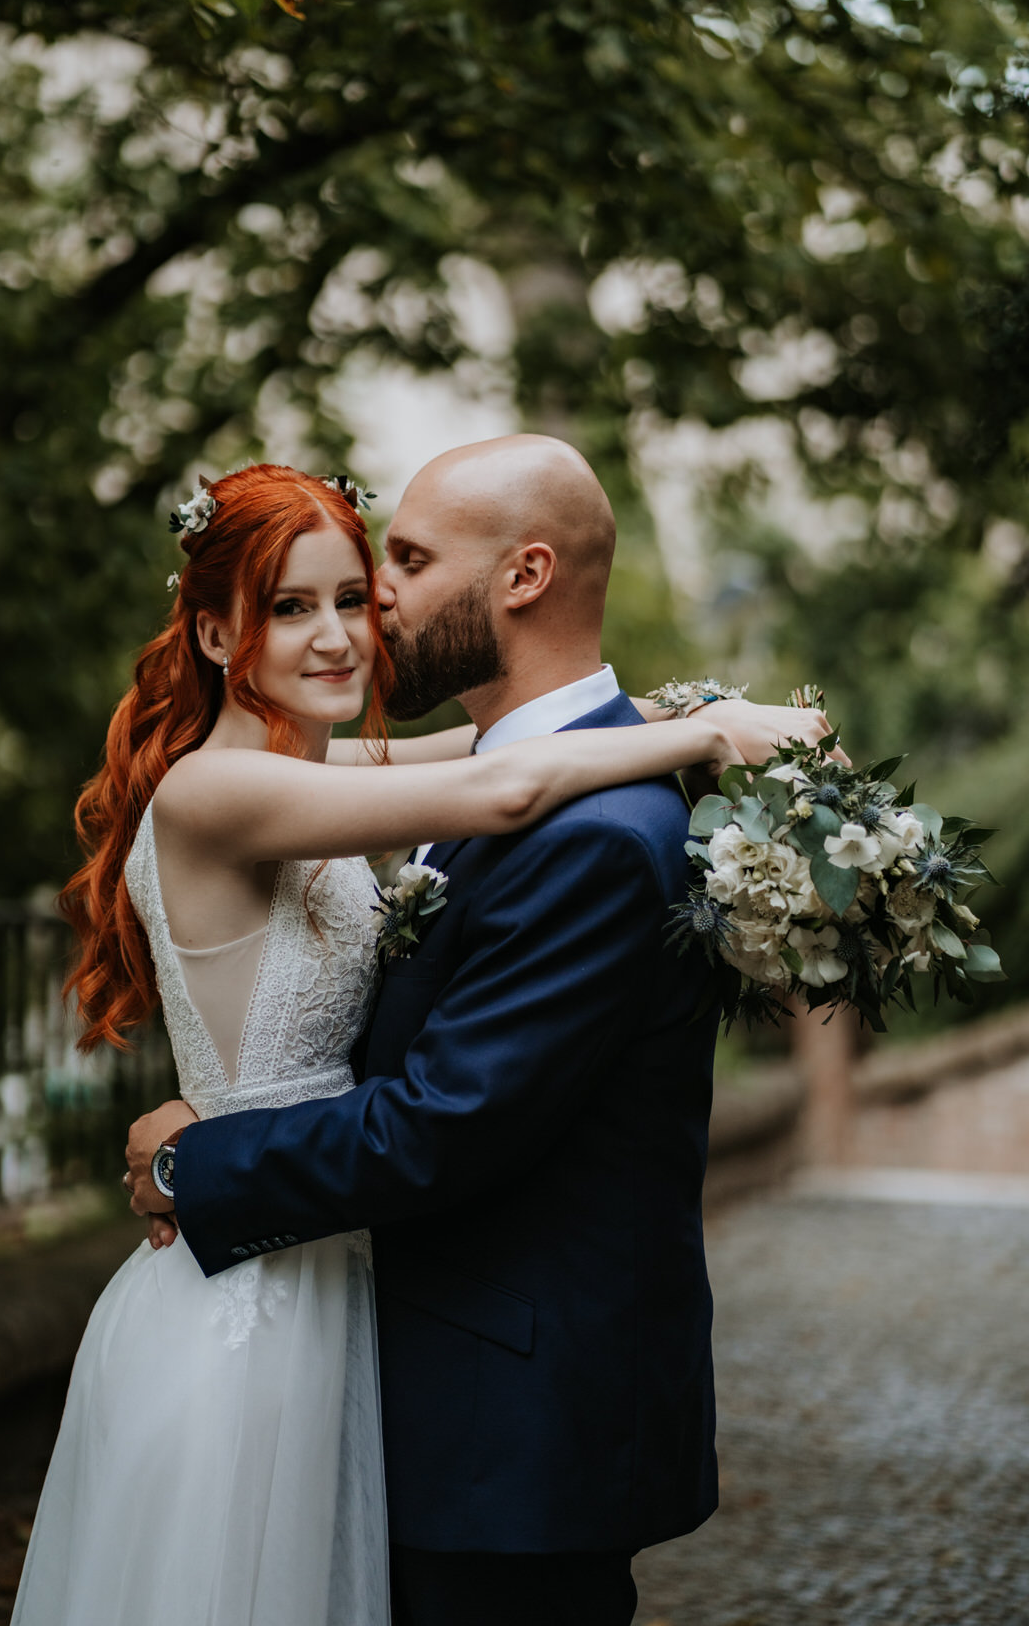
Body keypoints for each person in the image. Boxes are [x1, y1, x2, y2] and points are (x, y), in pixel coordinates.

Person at [116, 440, 834, 1626]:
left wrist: (197, 1164)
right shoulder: (246, 784)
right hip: (306, 1316)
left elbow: (444, 1122)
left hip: (490, 1416)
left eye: (389, 567)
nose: (365, 608)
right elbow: (493, 776)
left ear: (524, 575)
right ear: (212, 632)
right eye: (296, 604)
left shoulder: (585, 828)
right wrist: (708, 725)